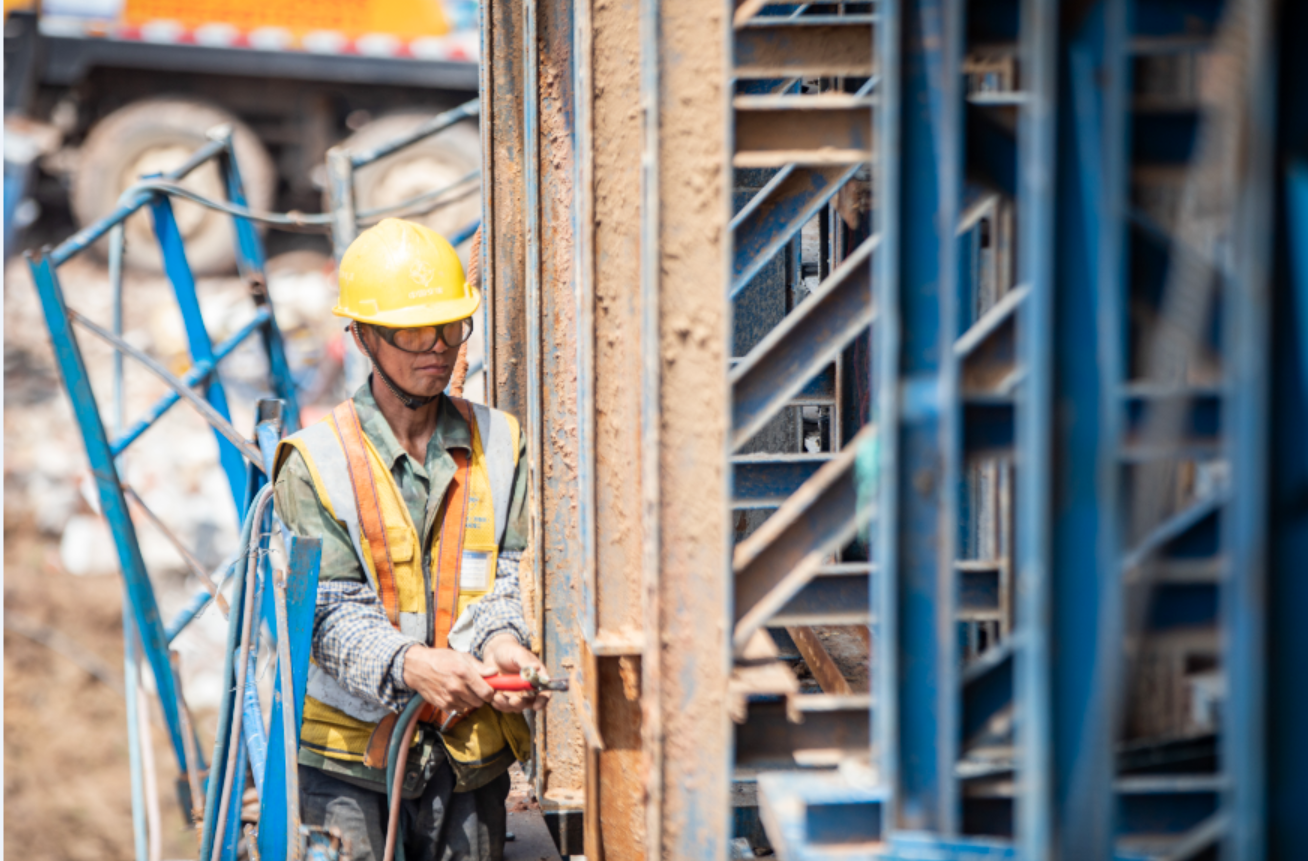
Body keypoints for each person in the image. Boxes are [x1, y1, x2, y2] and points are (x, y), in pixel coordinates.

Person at [273, 218, 548, 861]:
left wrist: (505, 645)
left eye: (452, 328)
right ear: (364, 338)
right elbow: (327, 610)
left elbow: (509, 578)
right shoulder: (315, 461)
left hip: (467, 759)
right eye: (415, 332)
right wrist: (411, 666)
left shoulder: (503, 445)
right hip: (348, 763)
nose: (439, 347)